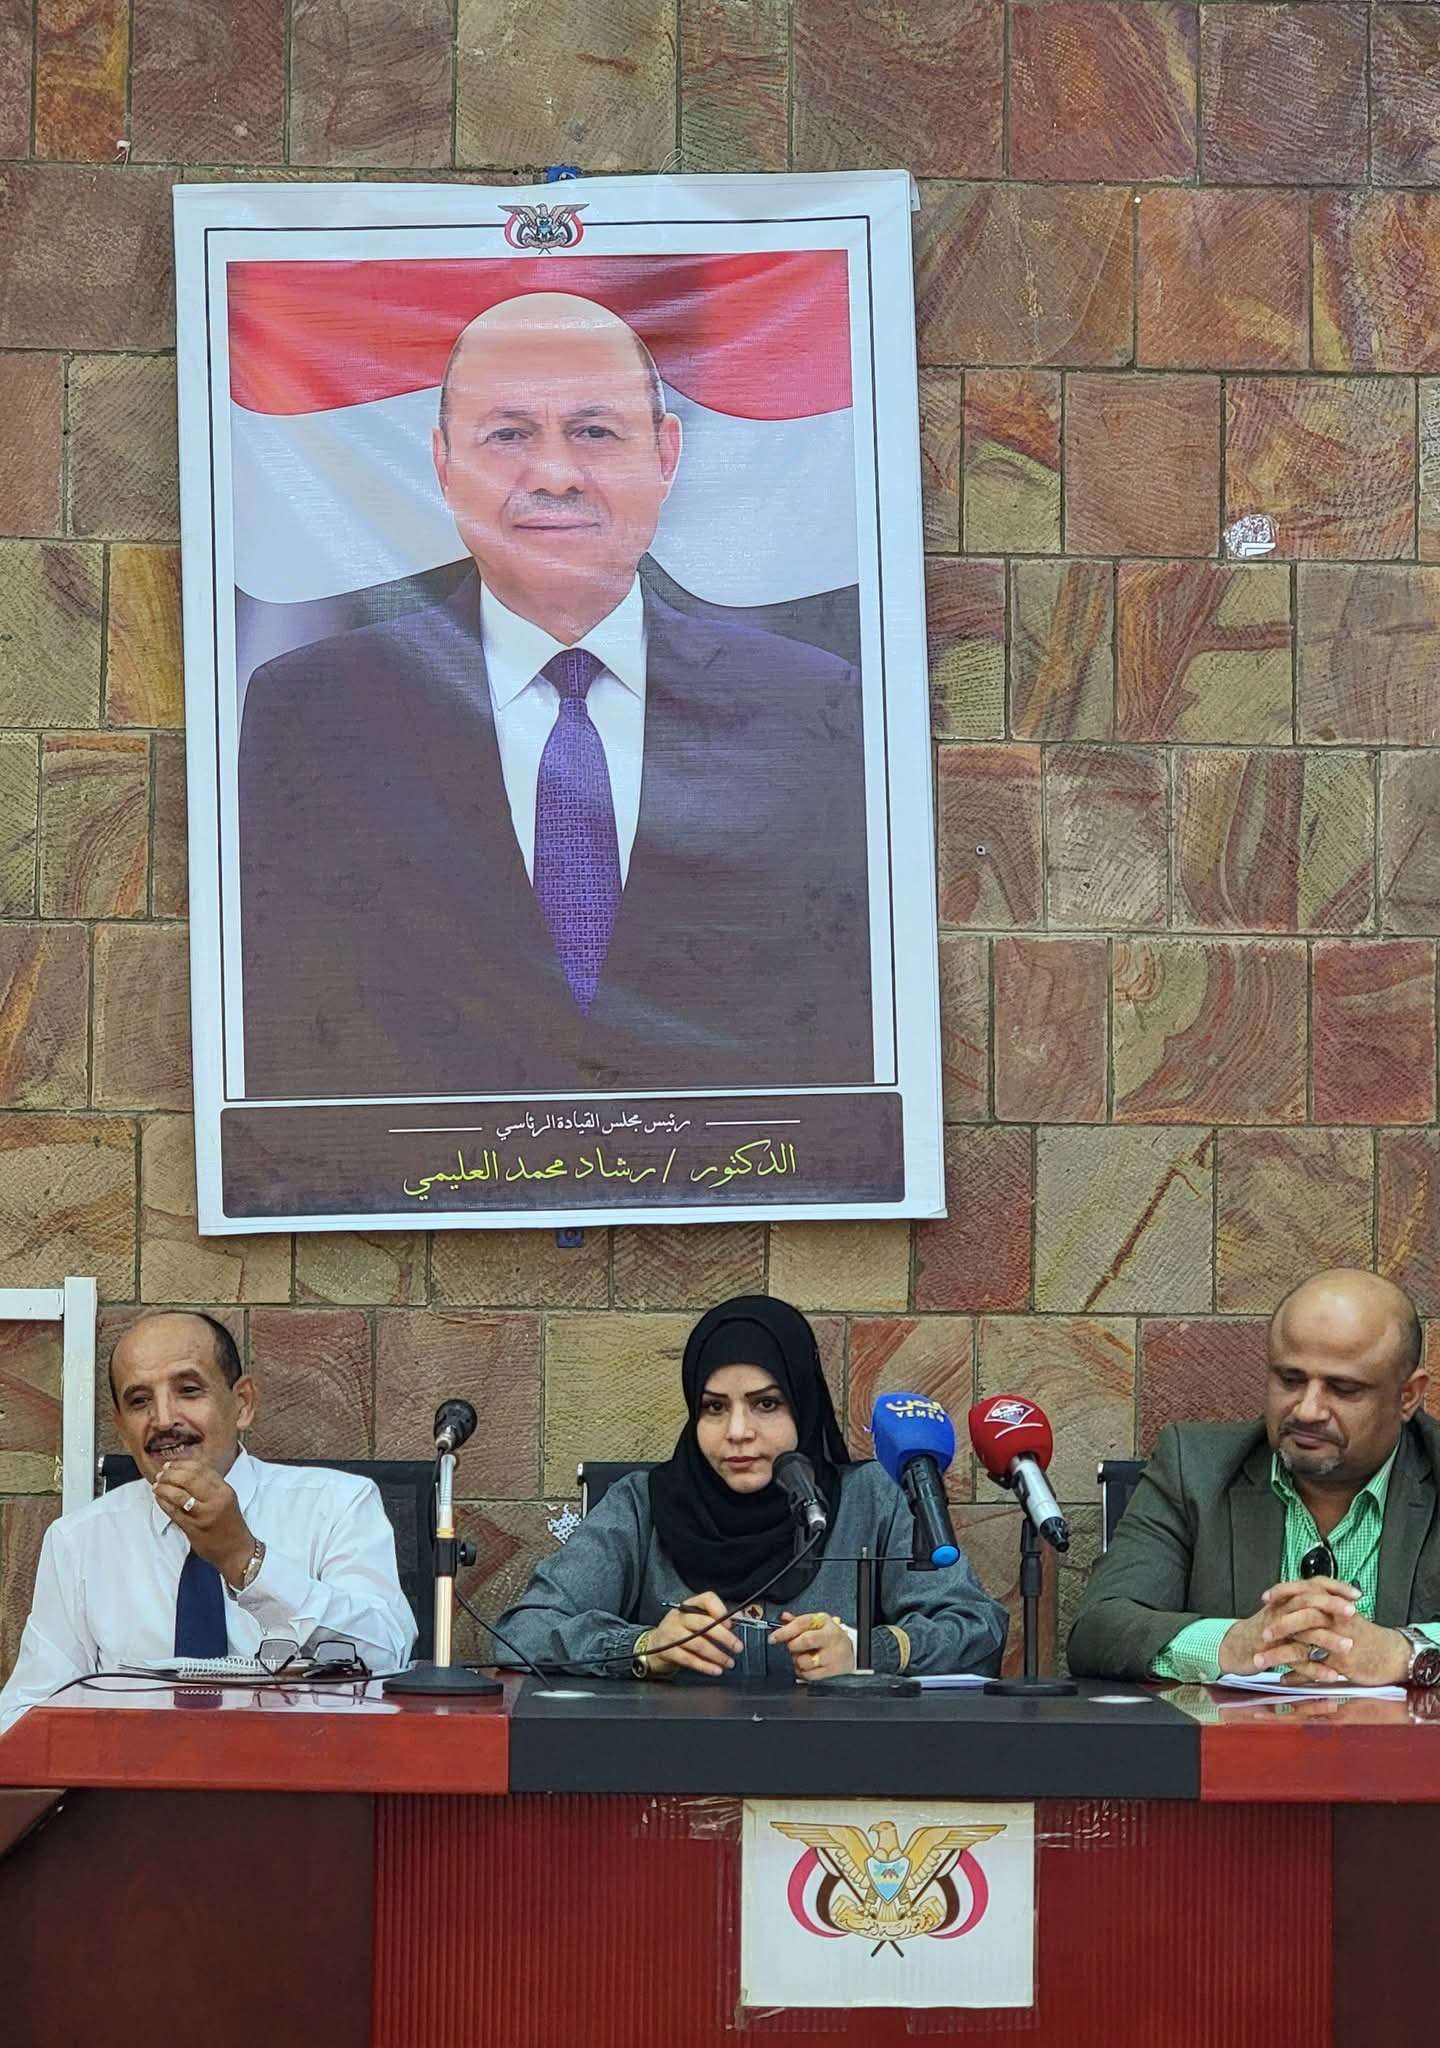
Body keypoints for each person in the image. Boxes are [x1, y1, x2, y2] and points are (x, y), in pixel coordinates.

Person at [237, 290, 873, 1099]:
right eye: (508, 435)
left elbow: (838, 1023)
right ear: (443, 464)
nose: (555, 476)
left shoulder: (812, 709)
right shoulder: (313, 713)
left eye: (595, 432)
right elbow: (287, 1023)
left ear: (666, 455)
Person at [493, 1295, 1007, 1680]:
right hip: (666, 1772)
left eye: (766, 1404)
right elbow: (520, 1633)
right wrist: (643, 1647)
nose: (738, 1432)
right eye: (714, 1408)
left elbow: (978, 1629)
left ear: (803, 1406)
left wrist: (868, 1652)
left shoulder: (874, 1498)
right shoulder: (642, 1504)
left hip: (841, 1774)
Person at [1068, 1269, 1440, 1687]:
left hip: (1411, 1757)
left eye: (1344, 1388)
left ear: (1408, 1396)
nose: (1308, 1410)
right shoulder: (1194, 1466)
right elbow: (1098, 1628)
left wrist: (1408, 1653)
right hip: (1238, 1754)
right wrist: (1230, 1644)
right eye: (1290, 1380)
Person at [0, 1311, 416, 1732]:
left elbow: (386, 1658)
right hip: (136, 1768)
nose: (164, 1419)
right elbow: (26, 1712)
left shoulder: (337, 1504)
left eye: (188, 1390)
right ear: (122, 1427)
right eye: (140, 1401)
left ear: (242, 1404)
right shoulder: (79, 1540)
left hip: (303, 1763)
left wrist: (243, 1558)